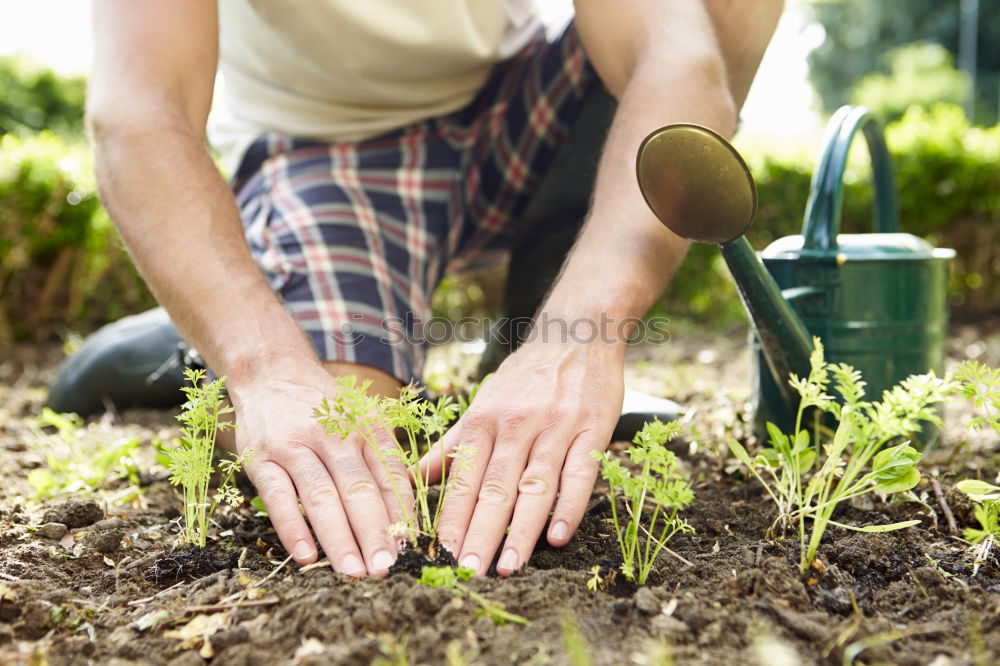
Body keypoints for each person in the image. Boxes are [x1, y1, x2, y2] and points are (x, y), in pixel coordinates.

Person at [66, 0, 782, 578]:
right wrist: (263, 365)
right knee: (349, 437)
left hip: (519, 112)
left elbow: (677, 58)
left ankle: (528, 346)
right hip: (332, 150)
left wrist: (579, 336)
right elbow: (137, 113)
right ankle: (220, 318)